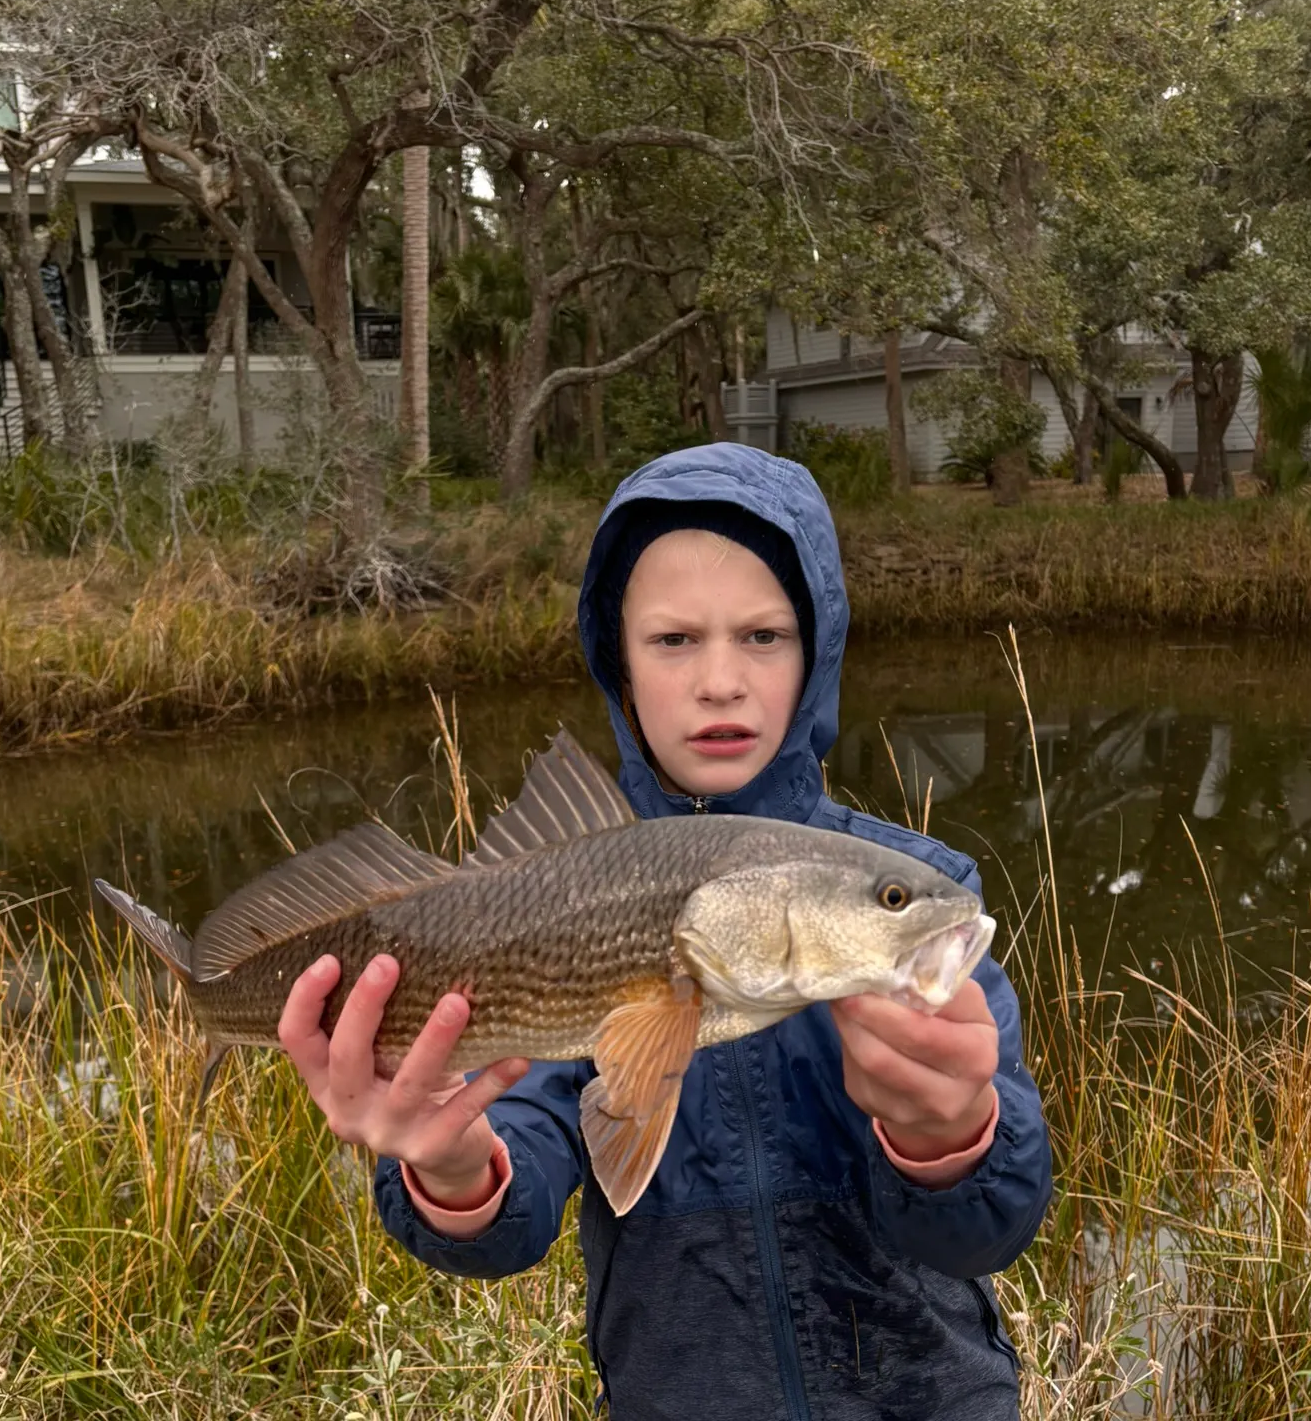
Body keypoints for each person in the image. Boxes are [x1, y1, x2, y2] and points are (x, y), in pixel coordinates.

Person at [278, 443, 1053, 1420]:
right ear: (618, 659)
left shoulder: (928, 887)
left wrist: (954, 1138)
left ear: (818, 655)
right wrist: (451, 1165)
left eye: (764, 636)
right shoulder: (558, 902)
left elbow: (991, 1231)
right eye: (673, 640)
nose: (720, 680)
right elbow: (505, 1213)